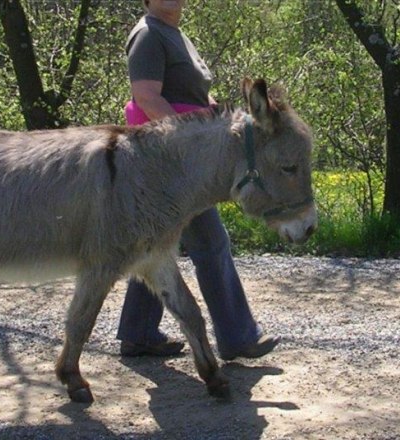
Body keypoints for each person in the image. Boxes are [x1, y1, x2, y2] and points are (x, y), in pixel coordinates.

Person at [117, 0, 280, 361]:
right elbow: (146, 96)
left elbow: (188, 92)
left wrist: (215, 112)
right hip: (172, 162)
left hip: (179, 161)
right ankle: (238, 337)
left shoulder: (173, 34)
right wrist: (190, 141)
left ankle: (138, 333)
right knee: (211, 242)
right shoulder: (148, 34)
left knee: (154, 245)